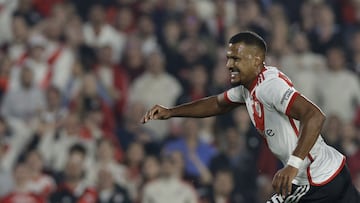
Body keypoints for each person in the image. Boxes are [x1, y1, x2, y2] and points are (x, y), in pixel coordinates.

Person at [141, 31, 360, 202]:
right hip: (331, 171)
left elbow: (315, 116)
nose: (229, 65)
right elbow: (217, 104)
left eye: (236, 59)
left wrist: (292, 165)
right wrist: (171, 112)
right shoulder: (249, 86)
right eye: (228, 59)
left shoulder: (269, 87)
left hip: (316, 181)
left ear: (256, 61)